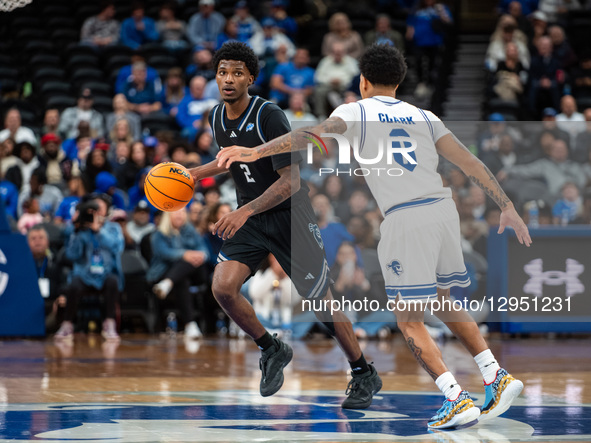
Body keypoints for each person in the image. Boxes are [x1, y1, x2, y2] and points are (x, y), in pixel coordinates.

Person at [217, 43, 531, 429]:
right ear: (398, 82)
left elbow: (311, 137)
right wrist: (507, 206)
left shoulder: (354, 111)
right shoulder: (425, 115)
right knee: (445, 302)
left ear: (363, 81)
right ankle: (494, 375)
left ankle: (454, 397)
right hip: (443, 212)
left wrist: (254, 152)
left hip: (406, 218)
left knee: (409, 320)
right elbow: (470, 163)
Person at [187, 42, 381, 408]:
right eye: (222, 72)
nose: (228, 79)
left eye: (237, 73)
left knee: (321, 303)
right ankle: (271, 348)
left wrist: (243, 211)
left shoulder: (269, 116)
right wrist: (191, 174)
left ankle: (362, 372)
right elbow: (230, 161)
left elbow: (290, 181)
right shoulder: (216, 117)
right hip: (250, 214)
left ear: (251, 78)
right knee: (223, 287)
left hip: (289, 214)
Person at [54, 194, 124, 341]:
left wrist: (99, 230)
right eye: (93, 208)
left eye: (100, 208)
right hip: (85, 274)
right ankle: (67, 324)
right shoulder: (82, 229)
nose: (97, 211)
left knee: (112, 281)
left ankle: (109, 323)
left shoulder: (113, 228)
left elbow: (117, 247)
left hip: (105, 274)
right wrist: (76, 230)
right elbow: (72, 255)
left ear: (106, 211)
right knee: (73, 284)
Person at [149, 209, 209, 339]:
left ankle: (167, 284)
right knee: (183, 280)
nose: (180, 215)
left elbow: (204, 249)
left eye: (182, 212)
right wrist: (184, 254)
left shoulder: (190, 230)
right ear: (167, 216)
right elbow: (164, 253)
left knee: (188, 262)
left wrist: (199, 255)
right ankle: (190, 325)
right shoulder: (159, 234)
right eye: (176, 212)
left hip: (194, 274)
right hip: (163, 272)